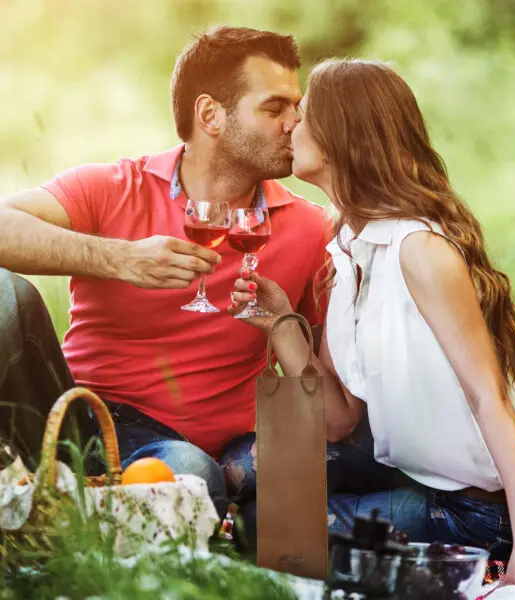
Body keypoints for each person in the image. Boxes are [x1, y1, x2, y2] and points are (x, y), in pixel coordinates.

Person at [228, 58, 515, 585]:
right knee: (247, 465)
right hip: (417, 475)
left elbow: (486, 397)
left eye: (305, 114)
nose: (290, 124)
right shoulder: (346, 249)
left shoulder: (419, 250)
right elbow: (337, 419)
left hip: (477, 508)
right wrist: (281, 325)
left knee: (265, 527)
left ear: (343, 137)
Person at [0, 26, 330, 519]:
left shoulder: (309, 227)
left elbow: (321, 378)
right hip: (94, 422)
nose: (294, 123)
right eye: (274, 107)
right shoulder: (112, 187)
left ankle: (77, 514)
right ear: (210, 115)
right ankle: (63, 493)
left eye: (296, 107)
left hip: (219, 448)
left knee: (206, 472)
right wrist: (121, 259)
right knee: (8, 295)